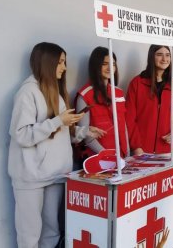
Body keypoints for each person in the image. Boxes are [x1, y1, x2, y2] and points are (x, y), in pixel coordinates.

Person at [8, 42, 105, 248]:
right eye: (60, 62)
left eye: (65, 62)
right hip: (31, 177)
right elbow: (22, 135)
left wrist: (83, 131)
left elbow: (58, 134)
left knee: (51, 230)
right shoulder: (28, 93)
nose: (64, 67)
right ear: (46, 62)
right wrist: (58, 121)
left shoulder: (56, 92)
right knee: (29, 234)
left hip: (56, 174)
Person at [125, 44, 173, 155]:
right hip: (142, 151)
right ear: (152, 57)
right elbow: (129, 118)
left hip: (168, 151)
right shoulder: (137, 83)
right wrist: (136, 147)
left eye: (167, 55)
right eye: (159, 55)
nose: (164, 59)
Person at [74, 47, 129, 168]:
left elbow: (123, 127)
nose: (109, 68)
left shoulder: (119, 93)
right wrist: (108, 156)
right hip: (97, 160)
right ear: (95, 66)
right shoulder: (84, 95)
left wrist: (127, 153)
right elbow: (86, 135)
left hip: (121, 157)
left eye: (113, 64)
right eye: (104, 64)